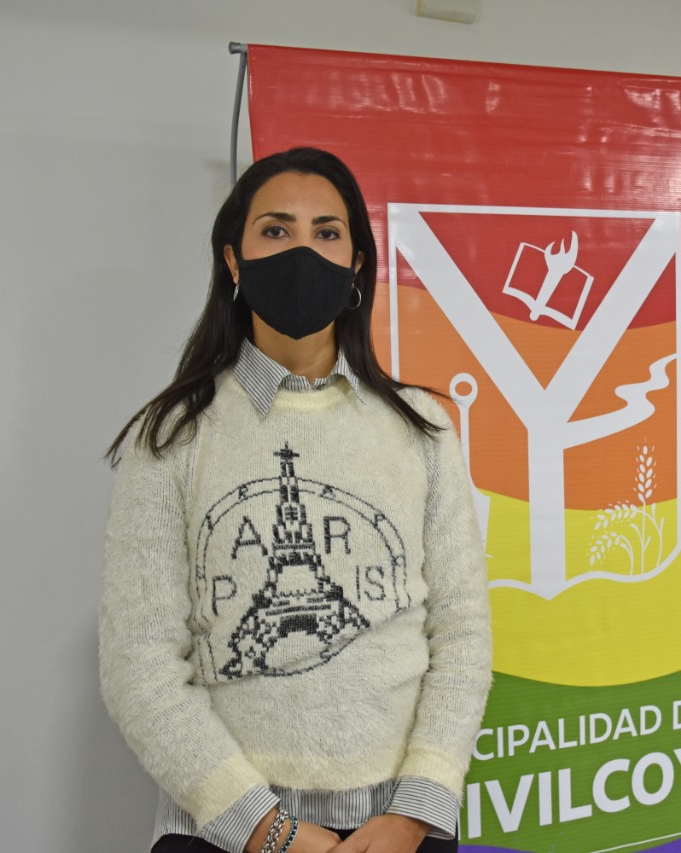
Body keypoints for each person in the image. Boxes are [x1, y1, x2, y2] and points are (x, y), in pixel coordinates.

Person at [99, 147, 493, 853]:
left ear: (357, 264)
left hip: (397, 828)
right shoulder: (173, 436)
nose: (302, 251)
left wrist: (415, 812)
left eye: (327, 232)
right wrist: (266, 828)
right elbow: (140, 664)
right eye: (276, 230)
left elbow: (462, 633)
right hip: (226, 831)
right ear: (233, 260)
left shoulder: (422, 428)